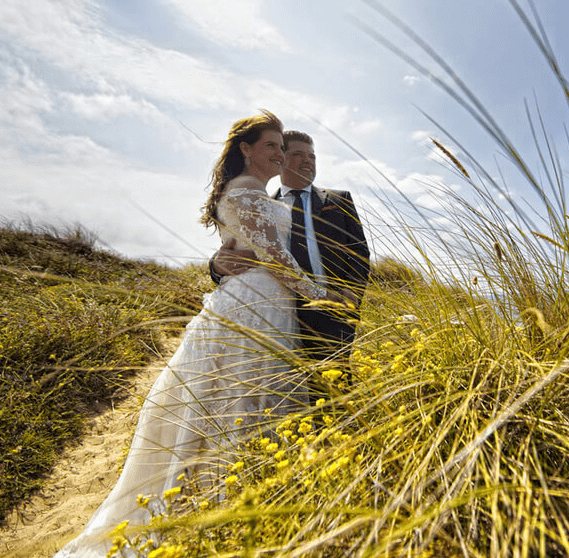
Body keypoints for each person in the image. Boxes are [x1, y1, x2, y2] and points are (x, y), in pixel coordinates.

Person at [55, 111, 345, 557]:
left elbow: (257, 246)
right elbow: (274, 258)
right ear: (246, 149)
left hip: (274, 308)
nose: (281, 154)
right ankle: (217, 506)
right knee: (234, 399)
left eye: (283, 148)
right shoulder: (247, 192)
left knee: (246, 400)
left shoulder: (267, 195)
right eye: (272, 145)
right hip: (254, 309)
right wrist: (320, 296)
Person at [211, 129, 370, 364]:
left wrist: (352, 293)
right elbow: (237, 248)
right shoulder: (261, 203)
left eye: (312, 156)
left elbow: (359, 252)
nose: (307, 160)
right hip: (283, 313)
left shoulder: (339, 200)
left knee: (336, 388)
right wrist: (215, 267)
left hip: (335, 311)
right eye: (298, 154)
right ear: (281, 158)